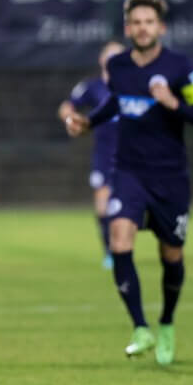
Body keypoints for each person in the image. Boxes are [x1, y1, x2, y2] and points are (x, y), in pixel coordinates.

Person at [65, 0, 193, 365]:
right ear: (128, 28)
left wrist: (172, 103)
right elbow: (114, 103)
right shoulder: (117, 66)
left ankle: (166, 323)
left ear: (159, 28)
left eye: (149, 22)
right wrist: (88, 122)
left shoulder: (181, 67)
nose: (142, 28)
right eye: (136, 22)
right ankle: (140, 328)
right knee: (119, 240)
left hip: (169, 177)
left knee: (172, 255)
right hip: (128, 171)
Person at [57, 40, 125, 269]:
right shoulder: (92, 87)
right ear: (102, 60)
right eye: (110, 56)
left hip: (133, 154)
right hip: (105, 155)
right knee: (103, 205)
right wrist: (71, 121)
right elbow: (67, 107)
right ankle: (110, 252)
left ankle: (126, 245)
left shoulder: (134, 85)